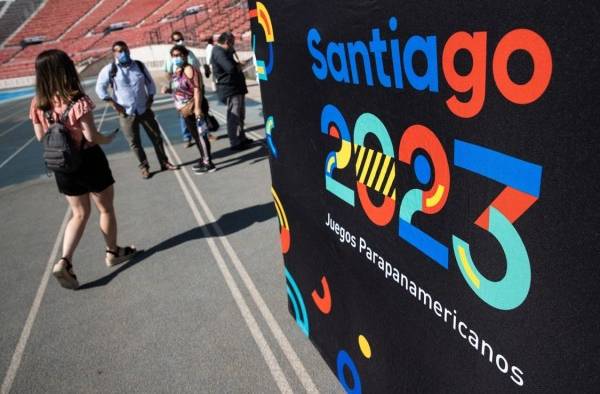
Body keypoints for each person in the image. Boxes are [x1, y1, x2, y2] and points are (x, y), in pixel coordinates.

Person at [30, 49, 136, 290]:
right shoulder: (77, 100)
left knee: (78, 214)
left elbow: (40, 136)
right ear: (65, 69)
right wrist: (107, 139)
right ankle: (113, 252)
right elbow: (91, 136)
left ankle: (64, 260)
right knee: (105, 208)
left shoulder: (38, 103)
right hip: (88, 160)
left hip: (62, 166)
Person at [96, 41, 177, 179]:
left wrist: (150, 97)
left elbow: (150, 82)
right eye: (119, 51)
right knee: (134, 143)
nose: (123, 53)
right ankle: (144, 167)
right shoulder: (110, 69)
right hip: (126, 113)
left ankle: (164, 162)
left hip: (144, 109)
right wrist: (113, 103)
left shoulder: (138, 65)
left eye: (125, 50)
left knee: (156, 137)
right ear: (114, 53)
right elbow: (100, 88)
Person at [162, 45, 215, 174]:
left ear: (185, 55)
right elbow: (179, 89)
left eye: (179, 55)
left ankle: (208, 163)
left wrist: (197, 108)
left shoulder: (189, 69)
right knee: (196, 136)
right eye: (174, 56)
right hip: (185, 110)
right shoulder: (177, 72)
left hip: (194, 108)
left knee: (201, 135)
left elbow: (197, 89)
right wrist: (169, 90)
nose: (177, 58)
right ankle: (204, 158)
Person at [211, 32, 252, 151]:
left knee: (240, 114)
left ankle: (241, 137)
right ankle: (234, 142)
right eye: (232, 43)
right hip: (229, 88)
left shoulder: (225, 51)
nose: (233, 46)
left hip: (236, 87)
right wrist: (240, 65)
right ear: (227, 42)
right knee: (233, 116)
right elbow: (230, 68)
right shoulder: (218, 52)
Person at [164, 31, 200, 147]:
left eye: (181, 39)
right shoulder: (171, 56)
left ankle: (203, 134)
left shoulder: (190, 53)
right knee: (184, 115)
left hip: (194, 88)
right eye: (176, 40)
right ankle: (187, 137)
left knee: (199, 112)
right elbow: (168, 72)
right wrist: (172, 86)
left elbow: (197, 67)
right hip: (181, 92)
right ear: (172, 41)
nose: (179, 41)